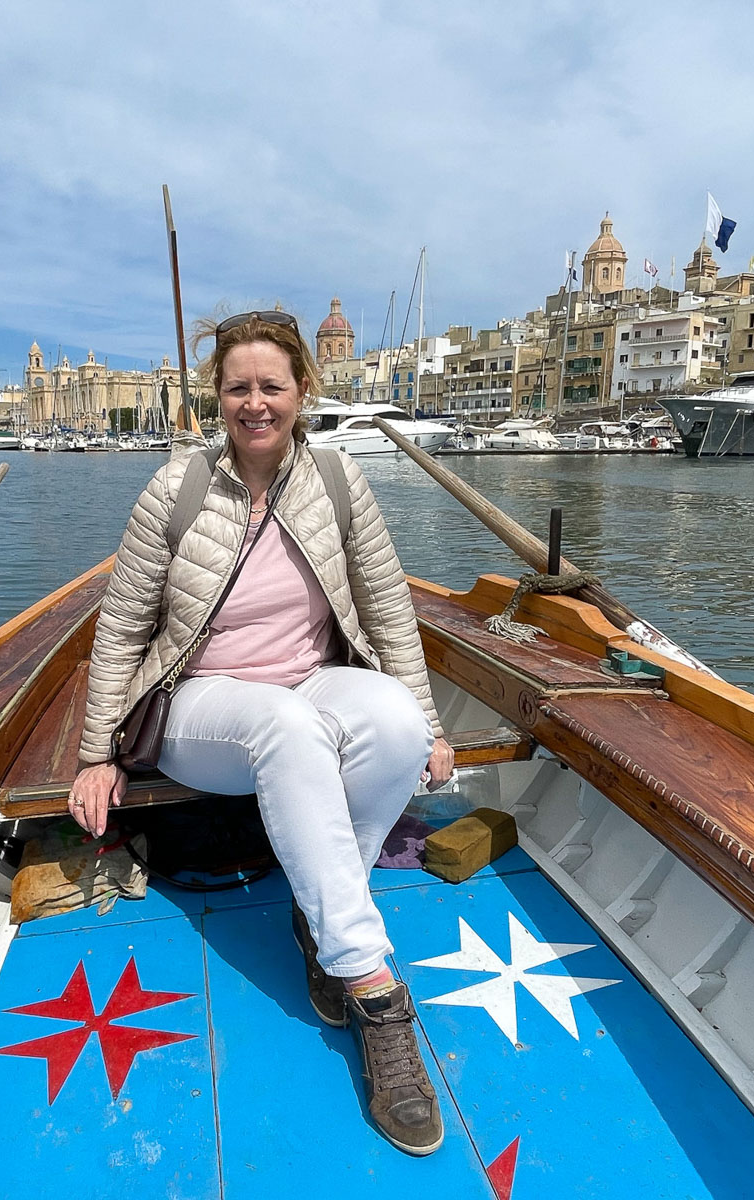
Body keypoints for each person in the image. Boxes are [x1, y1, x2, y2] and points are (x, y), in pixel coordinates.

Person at [68, 309, 454, 1156]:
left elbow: (387, 609)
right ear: (217, 398)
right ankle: (373, 987)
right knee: (286, 726)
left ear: (300, 392)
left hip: (308, 680)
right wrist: (97, 754)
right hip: (196, 701)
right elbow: (123, 627)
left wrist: (426, 721)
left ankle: (321, 920)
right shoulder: (175, 490)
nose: (255, 403)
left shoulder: (341, 483)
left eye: (270, 386)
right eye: (238, 387)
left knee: (386, 720)